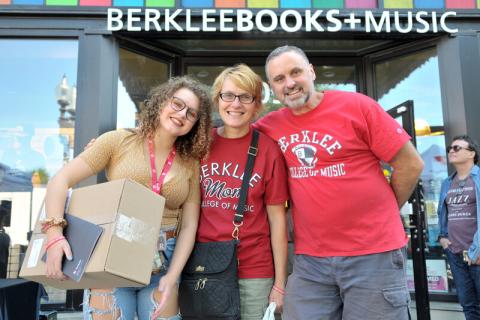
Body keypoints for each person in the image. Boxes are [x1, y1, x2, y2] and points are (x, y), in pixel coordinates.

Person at [253, 45, 425, 319]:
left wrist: (384, 210)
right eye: (279, 79)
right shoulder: (269, 126)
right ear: (272, 88)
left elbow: (410, 164)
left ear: (311, 71)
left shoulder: (356, 106)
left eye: (295, 72)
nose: (290, 83)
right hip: (311, 261)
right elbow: (235, 140)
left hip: (373, 254)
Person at [43, 76, 212, 320]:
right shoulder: (117, 140)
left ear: (195, 123)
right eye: (177, 104)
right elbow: (59, 181)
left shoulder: (190, 162)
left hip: (163, 263)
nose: (182, 114)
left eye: (192, 113)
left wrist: (172, 277)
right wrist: (54, 236)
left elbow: (189, 225)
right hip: (111, 255)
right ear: (161, 102)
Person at [196, 64, 289, 319]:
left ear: (256, 104)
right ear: (217, 100)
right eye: (228, 95)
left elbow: (277, 220)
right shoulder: (200, 143)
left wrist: (280, 284)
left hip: (254, 271)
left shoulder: (268, 149)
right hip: (205, 267)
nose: (235, 104)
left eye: (245, 97)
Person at [438, 135, 480, 320]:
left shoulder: (478, 180)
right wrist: (443, 237)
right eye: (450, 148)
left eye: (457, 148)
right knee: (468, 304)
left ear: (471, 153)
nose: (451, 151)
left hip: (477, 253)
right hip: (455, 253)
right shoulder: (447, 182)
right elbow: (443, 212)